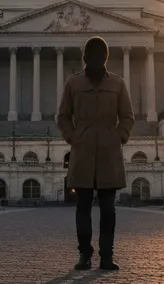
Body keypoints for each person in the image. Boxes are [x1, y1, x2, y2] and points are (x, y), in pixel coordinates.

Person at [56, 36, 135, 271]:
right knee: (82, 206)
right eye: (93, 55)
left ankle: (107, 255)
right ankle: (85, 254)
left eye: (101, 55)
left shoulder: (118, 84)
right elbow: (62, 117)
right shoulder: (73, 84)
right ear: (85, 58)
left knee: (108, 208)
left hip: (109, 152)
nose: (96, 59)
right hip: (83, 150)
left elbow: (128, 116)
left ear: (106, 58)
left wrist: (119, 136)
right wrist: (73, 137)